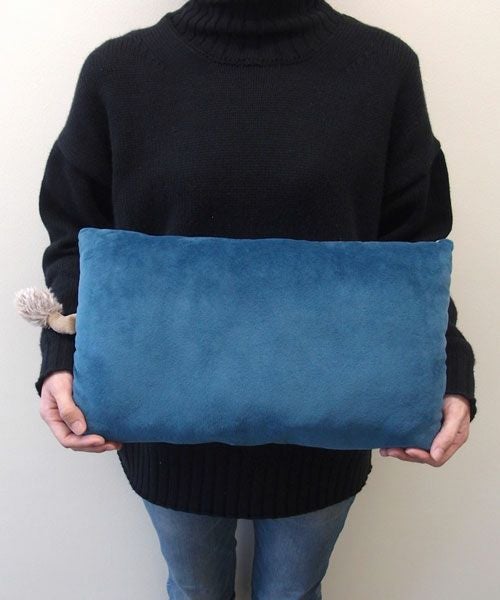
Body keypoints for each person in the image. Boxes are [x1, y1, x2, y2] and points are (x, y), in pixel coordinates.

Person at [34, 1, 477, 597]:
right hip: (165, 425)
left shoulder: (382, 68)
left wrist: (449, 370)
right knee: (195, 591)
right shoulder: (120, 72)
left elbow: (415, 245)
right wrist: (61, 355)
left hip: (330, 418)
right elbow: (74, 233)